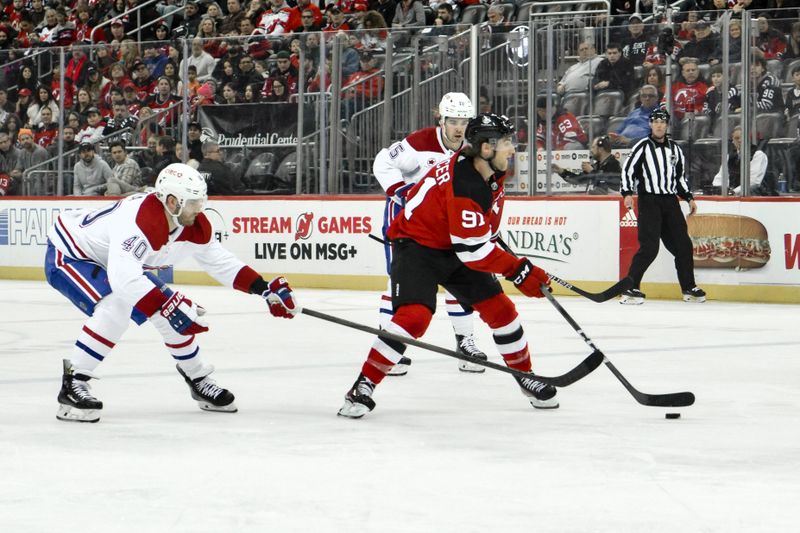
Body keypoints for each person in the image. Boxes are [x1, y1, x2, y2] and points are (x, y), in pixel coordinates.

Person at [338, 114, 557, 419]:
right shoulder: (464, 183)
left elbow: (480, 231)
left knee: (502, 311)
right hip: (416, 247)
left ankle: (525, 375)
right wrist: (518, 270)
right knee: (413, 317)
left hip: (454, 246)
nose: (512, 149)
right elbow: (474, 251)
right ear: (484, 148)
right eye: (507, 142)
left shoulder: (492, 170)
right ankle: (363, 385)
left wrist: (496, 244)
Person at [45, 162, 299, 423]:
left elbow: (220, 262)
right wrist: (168, 305)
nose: (199, 209)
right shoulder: (139, 220)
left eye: (201, 201)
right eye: (193, 203)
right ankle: (73, 383)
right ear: (171, 201)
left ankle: (198, 379)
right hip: (71, 253)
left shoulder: (193, 225)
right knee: (117, 307)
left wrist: (264, 289)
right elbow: (122, 279)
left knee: (170, 311)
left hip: (115, 261)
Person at [372, 92, 489, 375]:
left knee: (459, 281)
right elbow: (382, 161)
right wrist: (401, 191)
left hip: (445, 227)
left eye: (463, 121)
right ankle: (390, 345)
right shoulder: (419, 142)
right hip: (407, 226)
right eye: (453, 121)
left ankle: (465, 345)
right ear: (441, 119)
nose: (458, 127)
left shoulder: (471, 150)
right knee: (399, 285)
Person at [619, 108, 706, 304]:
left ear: (667, 125)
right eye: (655, 121)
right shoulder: (641, 146)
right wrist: (626, 194)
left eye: (663, 121)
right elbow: (628, 171)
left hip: (670, 203)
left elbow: (679, 177)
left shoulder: (675, 149)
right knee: (649, 248)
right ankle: (630, 287)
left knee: (683, 246)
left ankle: (689, 287)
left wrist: (688, 197)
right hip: (649, 201)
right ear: (650, 124)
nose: (659, 124)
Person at [552, 135, 622, 194]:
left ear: (601, 149)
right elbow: (577, 180)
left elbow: (611, 186)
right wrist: (561, 171)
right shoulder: (596, 166)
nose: (591, 150)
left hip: (607, 206)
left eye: (593, 147)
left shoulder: (614, 165)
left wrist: (592, 172)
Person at [711, 126, 769, 195]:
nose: (740, 140)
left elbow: (753, 182)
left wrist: (733, 192)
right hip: (733, 195)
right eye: (737, 138)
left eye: (743, 137)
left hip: (755, 196)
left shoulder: (758, 154)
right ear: (732, 141)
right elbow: (720, 177)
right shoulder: (729, 157)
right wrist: (718, 188)